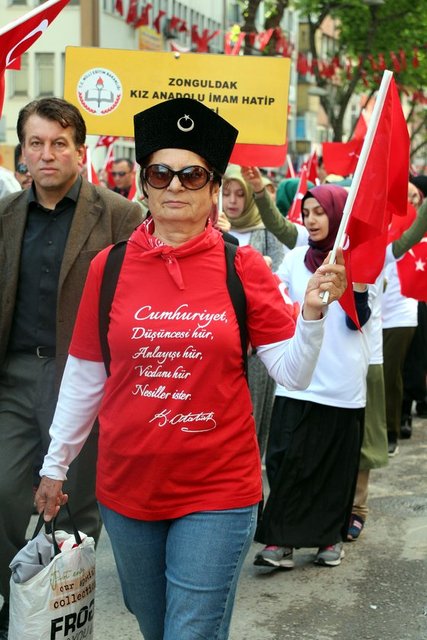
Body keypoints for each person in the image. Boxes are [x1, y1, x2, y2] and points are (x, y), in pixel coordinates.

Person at [35, 97, 347, 640]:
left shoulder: (242, 266)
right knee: (154, 625)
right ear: (145, 185)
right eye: (161, 173)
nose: (175, 186)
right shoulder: (109, 267)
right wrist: (55, 465)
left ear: (213, 188)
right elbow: (85, 376)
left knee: (191, 631)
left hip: (218, 490)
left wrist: (313, 316)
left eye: (192, 174)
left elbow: (293, 373)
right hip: (128, 488)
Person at [0, 97, 142, 639]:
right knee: (5, 492)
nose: (47, 154)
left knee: (77, 509)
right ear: (23, 152)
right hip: (15, 378)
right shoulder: (6, 215)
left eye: (59, 143)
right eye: (36, 143)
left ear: (80, 151)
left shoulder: (120, 215)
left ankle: (63, 615)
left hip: (85, 381)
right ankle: (20, 605)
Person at [254, 184, 371, 569]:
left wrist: (354, 286)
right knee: (287, 462)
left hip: (340, 384)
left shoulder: (357, 261)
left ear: (337, 214)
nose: (312, 219)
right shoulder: (294, 259)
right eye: (307, 212)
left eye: (320, 211)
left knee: (333, 468)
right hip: (297, 378)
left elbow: (359, 321)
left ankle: (328, 538)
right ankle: (280, 541)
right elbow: (277, 302)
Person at [222, 165, 285, 457]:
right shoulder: (211, 229)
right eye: (226, 193)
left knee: (253, 417)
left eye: (239, 194)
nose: (232, 201)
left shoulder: (265, 232)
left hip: (256, 346)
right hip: (223, 340)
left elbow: (279, 281)